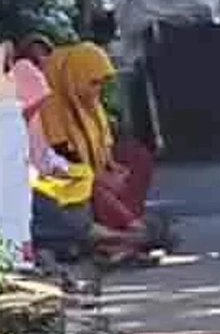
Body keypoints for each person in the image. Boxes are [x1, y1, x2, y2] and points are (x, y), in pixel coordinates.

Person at [38, 41, 167, 263]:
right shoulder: (51, 108)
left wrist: (112, 168)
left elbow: (103, 146)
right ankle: (130, 232)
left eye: (101, 83)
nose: (97, 90)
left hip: (93, 174)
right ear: (74, 78)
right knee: (90, 185)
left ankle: (124, 236)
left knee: (136, 156)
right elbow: (64, 162)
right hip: (62, 183)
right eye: (93, 83)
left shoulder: (90, 102)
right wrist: (102, 176)